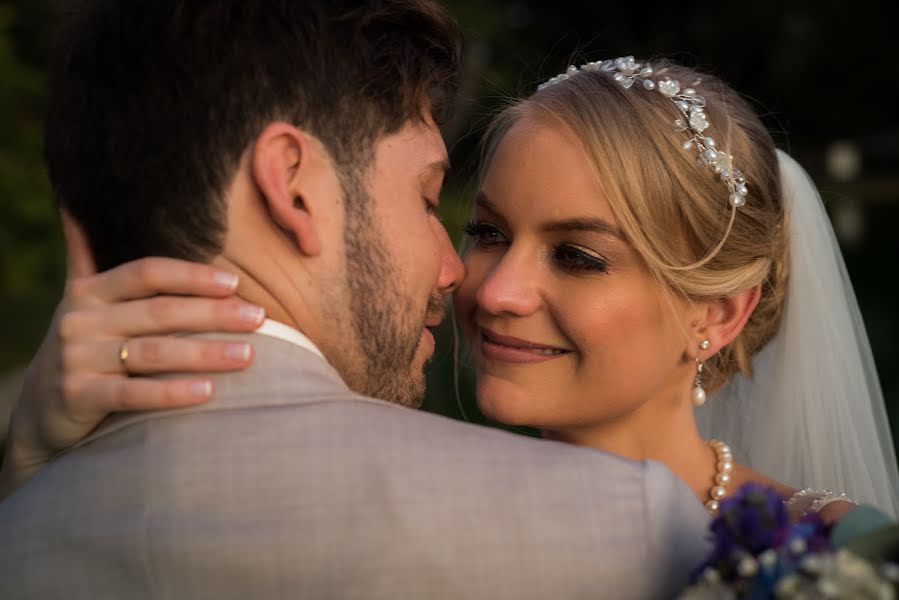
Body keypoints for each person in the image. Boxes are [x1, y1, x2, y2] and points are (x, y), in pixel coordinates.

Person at [0, 2, 710, 599]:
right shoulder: (621, 527)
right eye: (428, 200)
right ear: (293, 185)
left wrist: (25, 483)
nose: (454, 272)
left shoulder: (20, 534)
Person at [13, 51, 897, 526]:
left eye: (577, 256)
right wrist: (31, 465)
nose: (493, 290)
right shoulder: (375, 503)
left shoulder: (827, 557)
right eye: (485, 233)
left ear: (716, 312)